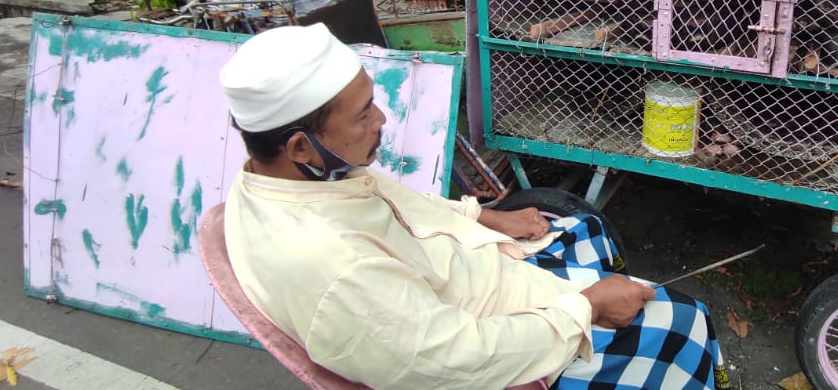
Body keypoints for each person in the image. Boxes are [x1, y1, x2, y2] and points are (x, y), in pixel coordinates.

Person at [218, 23, 728, 390]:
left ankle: (614, 297)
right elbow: (451, 360)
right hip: (498, 344)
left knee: (580, 226)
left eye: (372, 101)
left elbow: (398, 201)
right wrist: (588, 307)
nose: (380, 119)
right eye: (361, 115)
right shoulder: (330, 268)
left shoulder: (291, 179)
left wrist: (487, 215)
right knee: (684, 320)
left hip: (469, 273)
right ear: (300, 146)